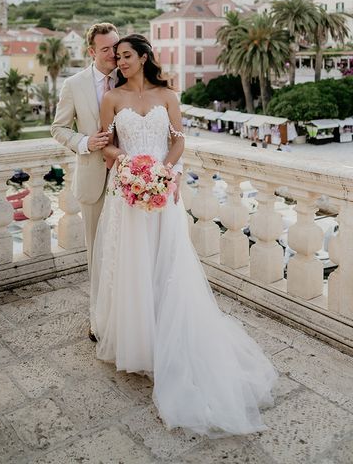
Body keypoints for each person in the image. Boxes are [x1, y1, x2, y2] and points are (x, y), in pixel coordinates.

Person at [90, 34, 277, 437]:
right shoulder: (112, 99)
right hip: (127, 192)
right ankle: (138, 337)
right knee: (132, 262)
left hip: (162, 191)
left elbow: (178, 141)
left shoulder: (167, 96)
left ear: (143, 57)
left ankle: (170, 332)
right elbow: (108, 147)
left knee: (167, 260)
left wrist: (165, 173)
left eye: (126, 56)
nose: (119, 62)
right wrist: (129, 166)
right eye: (117, 57)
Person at [51, 22, 119, 340]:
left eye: (115, 48)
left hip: (126, 182)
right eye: (105, 49)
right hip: (92, 181)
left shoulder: (129, 79)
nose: (113, 54)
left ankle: (124, 315)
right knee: (96, 252)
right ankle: (97, 321)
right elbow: (58, 128)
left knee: (123, 251)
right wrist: (84, 142)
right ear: (92, 51)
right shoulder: (74, 85)